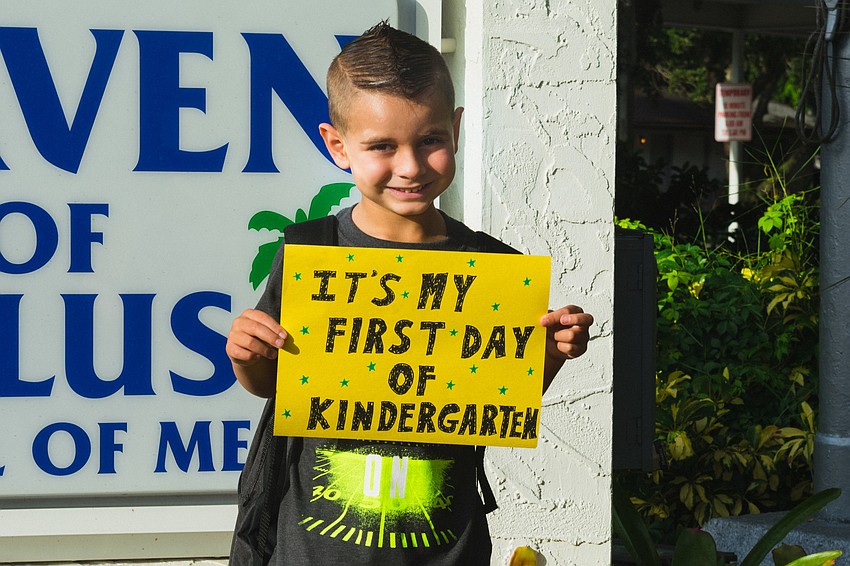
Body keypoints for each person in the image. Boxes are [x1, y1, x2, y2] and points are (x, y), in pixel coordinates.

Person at [225, 21, 594, 565]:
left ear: (457, 130)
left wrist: (550, 351)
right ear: (337, 145)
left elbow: (497, 396)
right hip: (313, 552)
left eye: (430, 141)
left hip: (446, 550)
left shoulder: (493, 268)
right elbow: (270, 387)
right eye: (382, 146)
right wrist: (246, 353)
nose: (411, 166)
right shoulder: (312, 253)